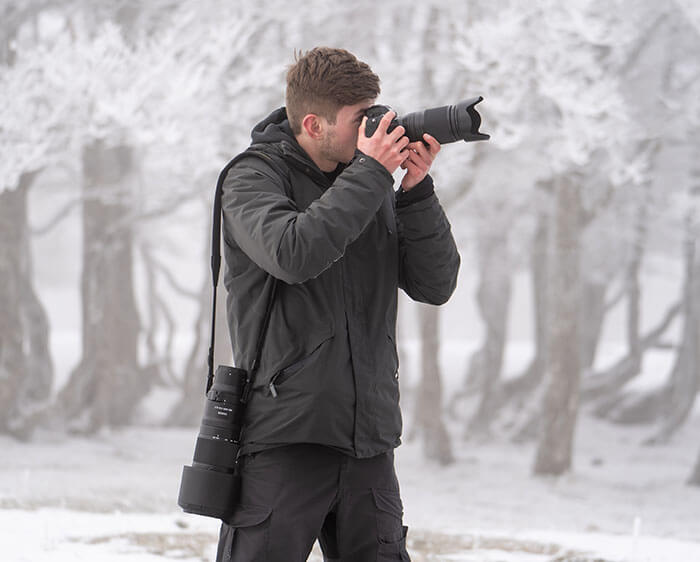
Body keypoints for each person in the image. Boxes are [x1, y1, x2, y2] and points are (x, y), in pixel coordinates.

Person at [216, 47, 460, 562]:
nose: (375, 129)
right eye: (360, 120)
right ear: (314, 123)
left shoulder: (363, 181)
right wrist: (372, 175)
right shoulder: (252, 179)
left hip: (368, 442)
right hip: (286, 439)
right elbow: (293, 252)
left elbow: (435, 285)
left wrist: (414, 191)